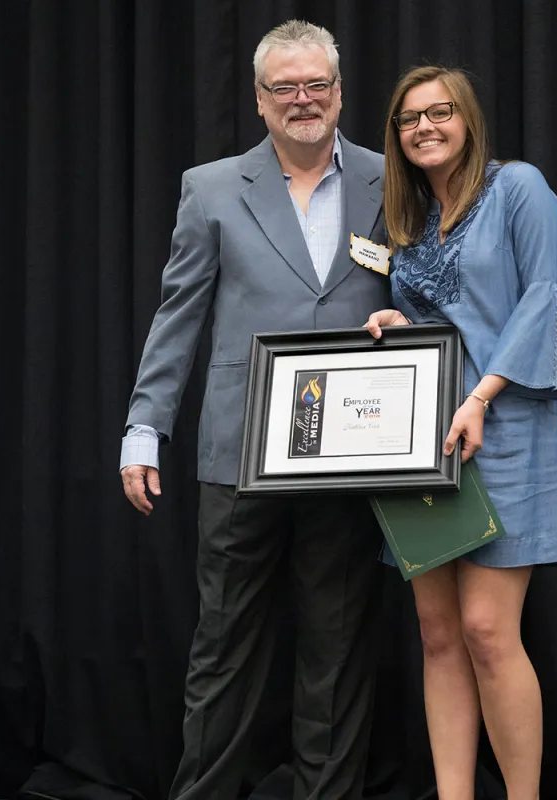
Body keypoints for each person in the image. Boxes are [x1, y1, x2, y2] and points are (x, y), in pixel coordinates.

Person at [120, 20, 391, 800]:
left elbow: (420, 291)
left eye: (317, 85)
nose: (302, 100)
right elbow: (179, 316)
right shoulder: (210, 186)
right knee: (225, 648)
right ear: (260, 98)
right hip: (239, 452)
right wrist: (145, 428)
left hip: (351, 451)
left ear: (338, 93)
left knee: (337, 653)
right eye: (285, 87)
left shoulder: (388, 177)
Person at [365, 66, 557, 800]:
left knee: (489, 631)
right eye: (408, 119)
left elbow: (542, 297)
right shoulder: (412, 219)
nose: (423, 127)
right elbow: (448, 325)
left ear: (468, 119)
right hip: (424, 439)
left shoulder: (518, 187)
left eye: (439, 112)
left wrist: (484, 394)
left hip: (505, 427)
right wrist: (403, 324)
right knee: (437, 634)